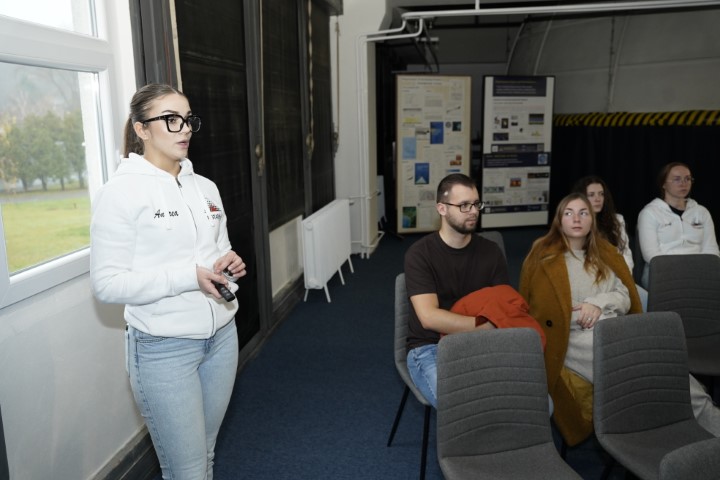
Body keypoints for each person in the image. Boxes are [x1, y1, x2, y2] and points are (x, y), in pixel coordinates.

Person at [90, 84, 246, 479]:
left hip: (222, 337)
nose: (185, 129)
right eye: (171, 120)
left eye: (188, 119)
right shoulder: (120, 193)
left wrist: (227, 266)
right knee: (187, 471)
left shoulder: (205, 187)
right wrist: (187, 278)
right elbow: (107, 284)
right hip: (163, 349)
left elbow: (219, 248)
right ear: (142, 129)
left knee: (205, 455)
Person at [520, 193, 643, 446]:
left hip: (613, 328)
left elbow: (626, 297)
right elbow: (539, 312)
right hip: (574, 338)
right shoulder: (542, 255)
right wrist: (585, 313)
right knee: (641, 372)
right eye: (569, 213)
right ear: (559, 220)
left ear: (591, 220)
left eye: (583, 213)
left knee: (667, 364)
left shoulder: (606, 253)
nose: (576, 219)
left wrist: (598, 303)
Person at [404, 173, 511, 408]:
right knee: (463, 407)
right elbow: (429, 318)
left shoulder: (491, 252)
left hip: (482, 344)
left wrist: (489, 328)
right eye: (464, 205)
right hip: (431, 348)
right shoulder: (419, 254)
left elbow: (504, 307)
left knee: (536, 403)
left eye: (476, 204)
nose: (473, 211)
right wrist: (484, 326)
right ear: (442, 208)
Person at [637, 162, 719, 287]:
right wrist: (680, 271)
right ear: (663, 184)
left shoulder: (702, 212)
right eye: (677, 179)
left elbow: (711, 250)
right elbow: (651, 254)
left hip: (699, 272)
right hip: (663, 273)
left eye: (687, 179)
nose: (683, 183)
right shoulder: (649, 213)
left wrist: (700, 270)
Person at [572, 175, 648, 310]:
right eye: (591, 195)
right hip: (591, 282)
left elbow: (626, 256)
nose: (598, 199)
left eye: (601, 194)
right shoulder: (574, 224)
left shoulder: (617, 221)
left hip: (619, 280)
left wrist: (622, 280)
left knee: (645, 300)